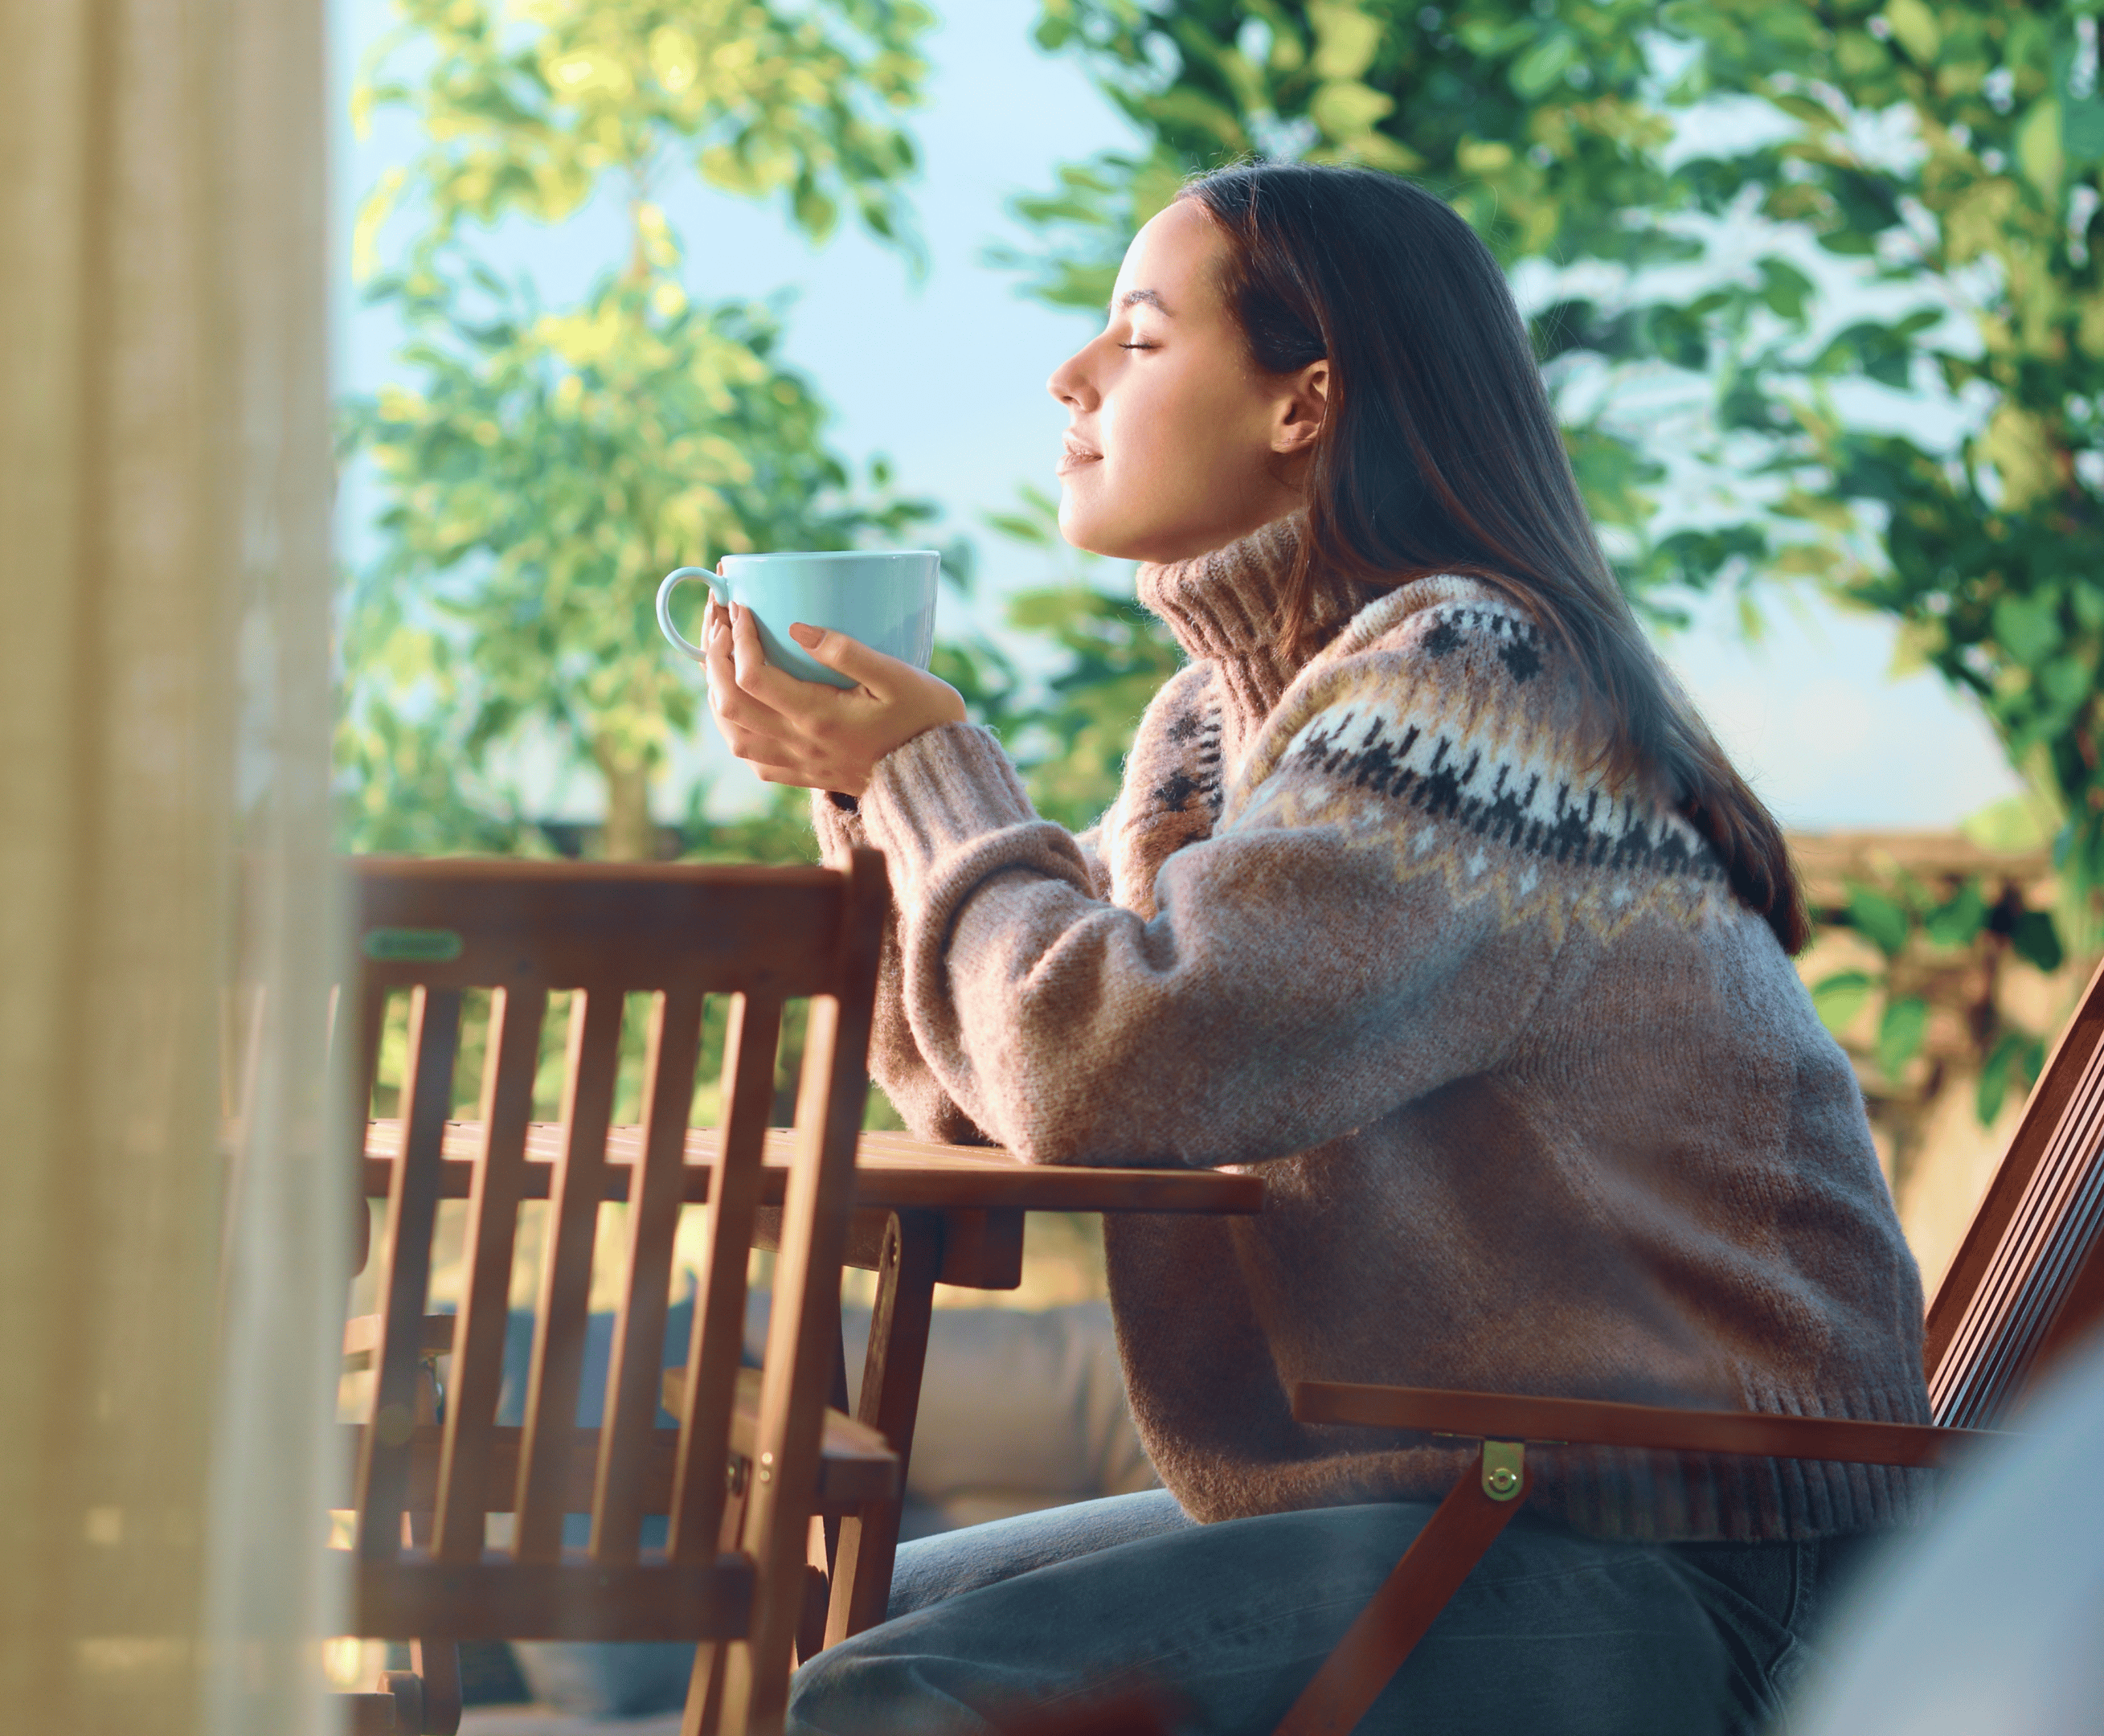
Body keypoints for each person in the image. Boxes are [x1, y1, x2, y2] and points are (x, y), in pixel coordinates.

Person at [696, 162, 1932, 1735]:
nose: (1068, 378)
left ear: (1307, 401)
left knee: (902, 1692)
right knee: (844, 1615)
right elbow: (992, 1087)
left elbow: (1104, 1063)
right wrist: (864, 796)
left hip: (1687, 1557)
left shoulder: (1473, 685)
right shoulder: (1218, 730)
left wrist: (928, 775)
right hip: (1475, 1495)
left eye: (1138, 340)